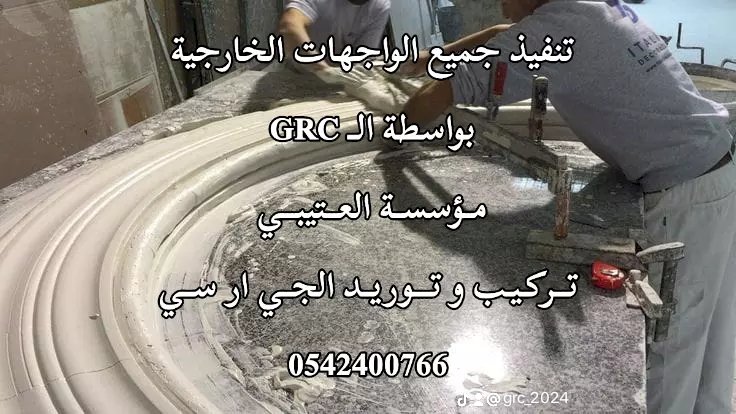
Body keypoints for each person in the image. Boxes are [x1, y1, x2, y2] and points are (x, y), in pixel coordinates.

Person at [401, 0, 736, 413]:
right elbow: (500, 36)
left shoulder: (555, 30)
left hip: (682, 194)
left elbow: (449, 89)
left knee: (670, 349)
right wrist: (434, 55)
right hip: (715, 169)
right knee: (713, 334)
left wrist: (391, 125)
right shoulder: (587, 8)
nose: (502, 5)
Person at [277, 0, 392, 72]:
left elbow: (362, 59)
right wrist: (321, 67)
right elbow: (289, 26)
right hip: (297, 71)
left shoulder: (380, 5)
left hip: (339, 77)